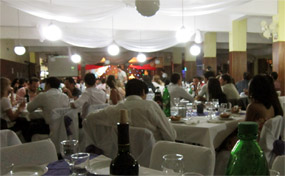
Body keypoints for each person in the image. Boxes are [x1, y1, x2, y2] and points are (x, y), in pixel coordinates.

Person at [87, 79, 176, 141]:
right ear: (143, 92)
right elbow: (171, 136)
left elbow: (89, 118)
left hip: (124, 157)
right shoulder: (150, 106)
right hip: (154, 156)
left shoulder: (116, 109)